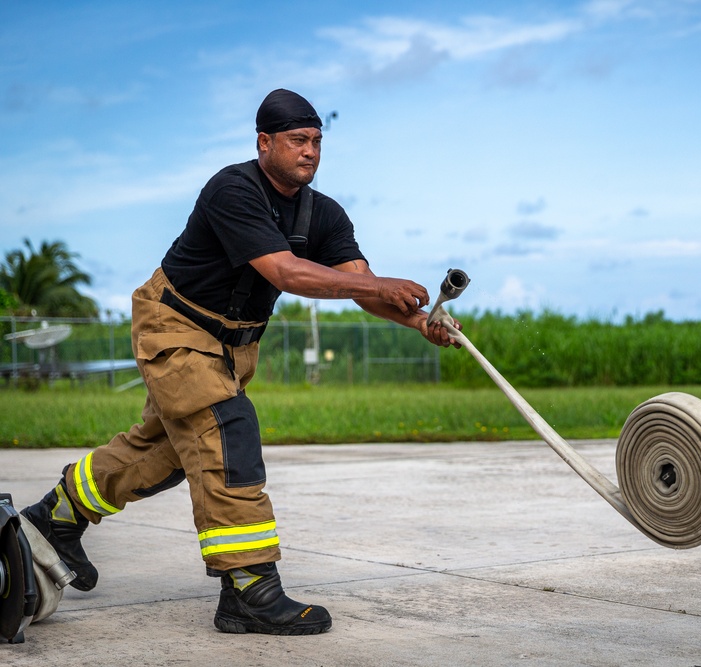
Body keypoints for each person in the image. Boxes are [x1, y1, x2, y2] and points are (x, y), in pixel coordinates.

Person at [19, 89, 460, 635]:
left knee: (166, 451)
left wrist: (421, 322)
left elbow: (364, 289)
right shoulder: (234, 189)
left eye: (318, 141)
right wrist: (378, 283)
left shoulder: (323, 213)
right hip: (176, 325)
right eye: (298, 140)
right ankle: (251, 588)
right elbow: (288, 273)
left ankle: (57, 515)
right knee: (226, 433)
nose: (311, 151)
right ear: (264, 142)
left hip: (231, 346)